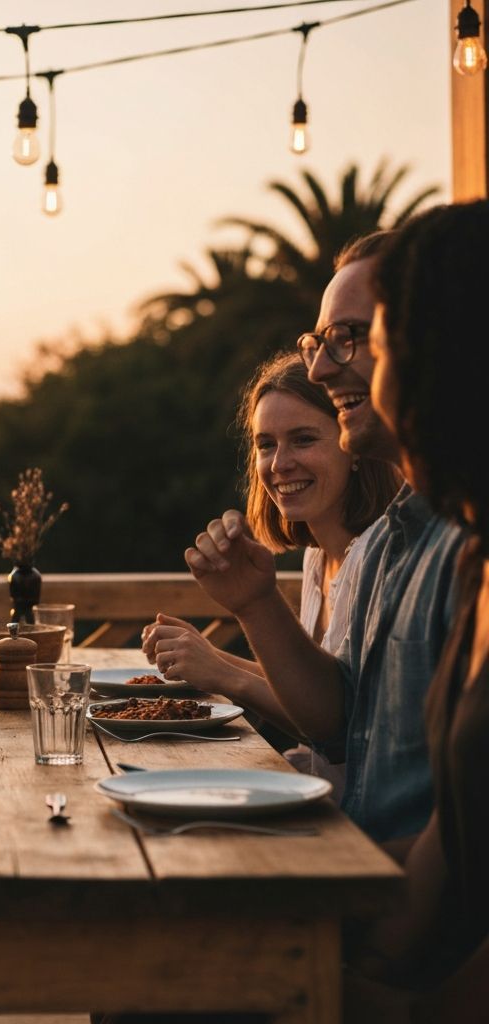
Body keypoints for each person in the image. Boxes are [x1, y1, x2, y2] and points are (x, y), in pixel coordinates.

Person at [176, 230, 466, 844]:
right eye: (264, 445)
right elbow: (342, 724)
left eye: (351, 339)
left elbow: (456, 819)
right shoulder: (392, 542)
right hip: (352, 859)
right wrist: (253, 603)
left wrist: (224, 667)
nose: (321, 366)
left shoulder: (449, 544)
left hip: (370, 875)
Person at [341, 199, 489, 1023]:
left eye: (381, 345)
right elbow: (454, 839)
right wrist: (370, 958)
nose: (364, 377)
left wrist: (395, 1010)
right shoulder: (477, 558)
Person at [143, 352, 399, 798]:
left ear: (353, 446)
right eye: (265, 444)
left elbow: (343, 728)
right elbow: (315, 695)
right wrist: (209, 658)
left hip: (358, 825)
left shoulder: (380, 557)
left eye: (302, 439)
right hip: (317, 794)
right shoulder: (318, 558)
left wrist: (226, 675)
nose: (279, 464)